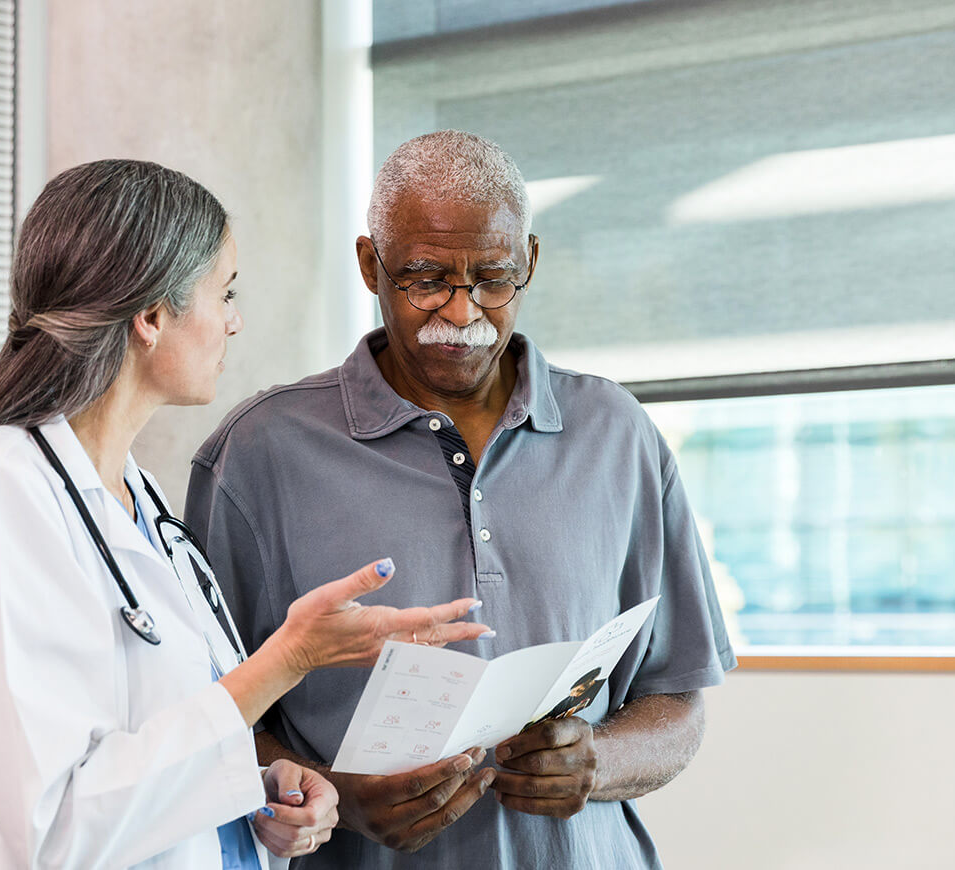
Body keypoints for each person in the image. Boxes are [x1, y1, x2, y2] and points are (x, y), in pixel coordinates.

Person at [0, 159, 491, 870]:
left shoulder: (136, 497)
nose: (234, 323)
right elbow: (51, 829)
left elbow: (144, 756)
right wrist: (288, 659)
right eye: (224, 293)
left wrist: (257, 793)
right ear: (149, 316)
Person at [185, 131, 736, 869]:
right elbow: (199, 720)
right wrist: (339, 797)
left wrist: (597, 761)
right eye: (424, 278)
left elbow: (678, 705)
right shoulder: (258, 453)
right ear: (369, 265)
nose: (461, 309)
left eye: (494, 279)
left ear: (530, 262)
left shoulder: (619, 435)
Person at [533, 668, 608, 725]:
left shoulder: (601, 683)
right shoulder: (568, 700)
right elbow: (549, 714)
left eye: (579, 690)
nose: (574, 694)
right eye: (572, 692)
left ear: (591, 682)